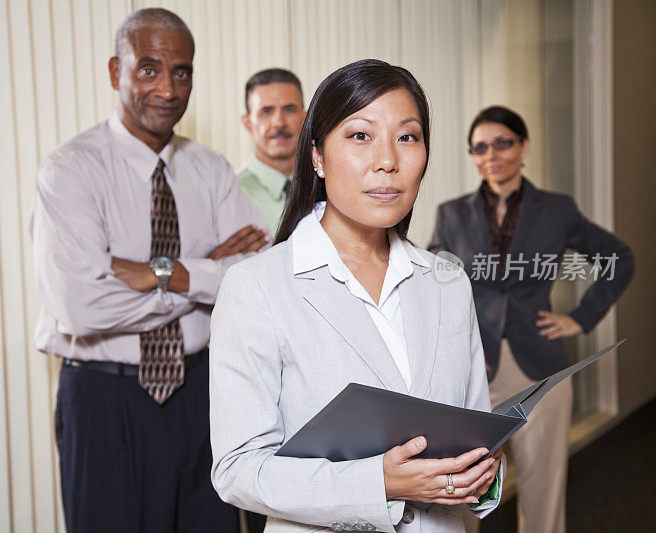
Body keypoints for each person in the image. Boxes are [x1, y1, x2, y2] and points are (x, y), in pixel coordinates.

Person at [209, 59, 505, 533]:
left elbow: (475, 434)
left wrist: (483, 473)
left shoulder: (447, 282)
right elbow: (239, 470)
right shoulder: (257, 287)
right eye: (360, 136)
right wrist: (378, 484)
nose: (387, 159)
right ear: (317, 156)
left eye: (407, 137)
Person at [30, 8, 268, 532]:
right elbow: (81, 306)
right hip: (104, 400)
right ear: (116, 72)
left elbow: (257, 281)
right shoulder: (71, 170)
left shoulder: (211, 169)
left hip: (203, 394)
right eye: (148, 69)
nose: (167, 87)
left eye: (181, 71)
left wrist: (160, 271)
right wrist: (207, 275)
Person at [428, 105, 634, 533]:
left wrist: (579, 318)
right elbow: (435, 288)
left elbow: (618, 258)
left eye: (502, 143)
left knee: (543, 493)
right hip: (473, 369)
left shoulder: (557, 210)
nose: (491, 154)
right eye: (480, 147)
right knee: (463, 492)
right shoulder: (451, 214)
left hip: (541, 369)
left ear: (523, 147)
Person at [238, 68, 306, 234]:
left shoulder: (329, 188)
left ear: (305, 118)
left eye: (289, 109)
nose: (279, 122)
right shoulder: (230, 195)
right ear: (248, 123)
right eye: (266, 111)